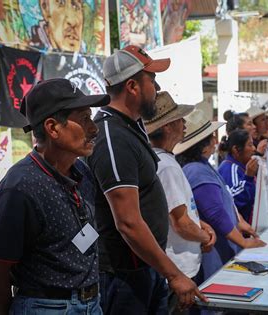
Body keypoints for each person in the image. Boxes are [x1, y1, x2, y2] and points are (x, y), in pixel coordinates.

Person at [87, 45, 206, 314]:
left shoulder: (130, 126)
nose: (157, 88)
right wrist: (174, 274)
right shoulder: (112, 136)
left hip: (145, 268)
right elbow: (128, 222)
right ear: (132, 86)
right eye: (152, 80)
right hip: (125, 275)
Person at [0, 78, 110, 314]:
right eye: (84, 119)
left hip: (92, 303)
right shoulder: (20, 189)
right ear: (53, 128)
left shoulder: (82, 172)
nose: (94, 128)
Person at [175, 109, 266, 283]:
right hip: (216, 253)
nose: (215, 140)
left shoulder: (202, 166)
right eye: (211, 137)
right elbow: (215, 213)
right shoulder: (197, 171)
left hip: (224, 246)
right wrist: (243, 242)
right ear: (204, 143)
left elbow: (225, 200)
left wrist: (239, 221)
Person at [145, 91, 217, 285]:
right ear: (168, 127)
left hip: (177, 265)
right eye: (179, 119)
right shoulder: (166, 166)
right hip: (180, 267)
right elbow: (181, 224)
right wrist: (206, 237)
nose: (184, 123)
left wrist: (201, 225)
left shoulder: (161, 160)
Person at [218, 129, 258, 224]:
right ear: (236, 149)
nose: (254, 149)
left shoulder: (240, 166)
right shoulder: (230, 168)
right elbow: (234, 200)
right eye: (250, 145)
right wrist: (248, 177)